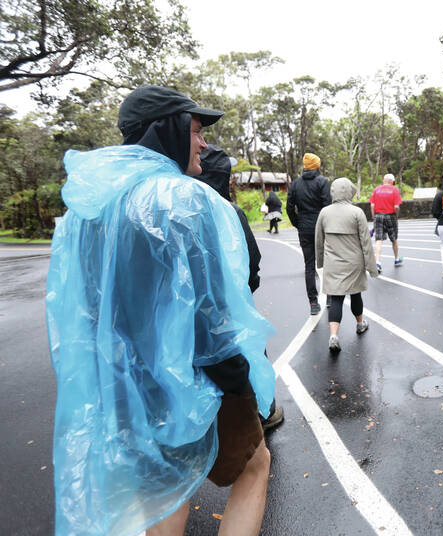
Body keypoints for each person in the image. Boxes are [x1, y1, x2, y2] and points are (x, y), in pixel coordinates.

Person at [46, 85, 275, 536]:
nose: (204, 143)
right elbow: (209, 314)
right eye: (194, 130)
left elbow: (86, 305)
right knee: (254, 465)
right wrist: (238, 383)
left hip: (122, 382)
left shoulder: (88, 207)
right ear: (163, 130)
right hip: (191, 379)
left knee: (161, 492)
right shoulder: (181, 199)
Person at [197, 145, 284, 433]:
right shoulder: (230, 212)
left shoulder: (183, 209)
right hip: (234, 311)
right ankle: (265, 412)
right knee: (253, 354)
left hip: (197, 317)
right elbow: (253, 264)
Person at [315, 178, 379, 353]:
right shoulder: (357, 213)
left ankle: (334, 335)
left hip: (333, 263)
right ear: (350, 191)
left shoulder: (324, 213)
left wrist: (320, 262)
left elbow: (319, 241)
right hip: (354, 262)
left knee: (335, 298)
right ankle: (360, 324)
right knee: (355, 294)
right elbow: (366, 242)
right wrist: (372, 268)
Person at [286, 153, 331, 315]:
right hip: (322, 227)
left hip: (304, 228)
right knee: (327, 263)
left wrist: (298, 223)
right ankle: (331, 297)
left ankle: (313, 302)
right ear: (316, 165)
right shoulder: (322, 182)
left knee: (309, 266)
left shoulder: (296, 184)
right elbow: (328, 206)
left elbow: (289, 208)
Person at [370, 173, 403, 272]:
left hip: (378, 215)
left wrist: (374, 217)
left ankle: (378, 262)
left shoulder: (376, 189)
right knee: (393, 239)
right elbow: (396, 207)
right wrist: (396, 216)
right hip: (391, 215)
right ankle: (396, 259)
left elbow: (372, 205)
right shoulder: (395, 190)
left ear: (384, 180)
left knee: (378, 239)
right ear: (392, 181)